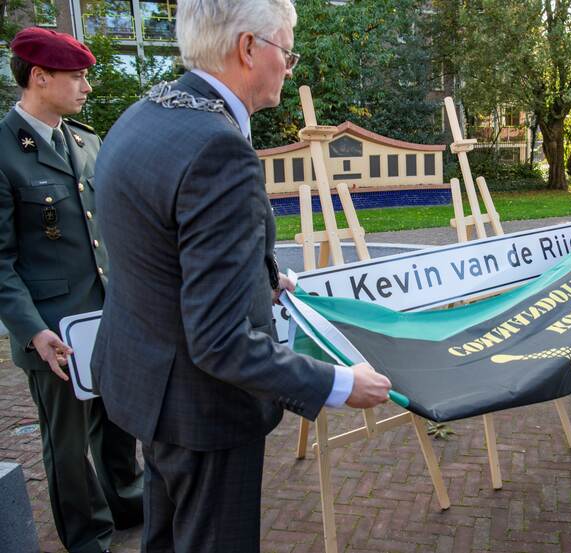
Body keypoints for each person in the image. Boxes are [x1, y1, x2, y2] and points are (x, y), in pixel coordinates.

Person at [91, 1, 392, 551]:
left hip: (145, 387)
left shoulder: (142, 116)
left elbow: (163, 246)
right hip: (205, 408)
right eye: (286, 50)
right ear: (249, 48)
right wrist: (339, 385)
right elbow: (220, 342)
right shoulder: (218, 148)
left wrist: (264, 275)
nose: (289, 66)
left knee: (165, 536)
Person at [0, 27, 143, 553]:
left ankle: (129, 500)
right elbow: (0, 262)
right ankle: (88, 537)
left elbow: (105, 228)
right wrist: (33, 331)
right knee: (66, 444)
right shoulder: (3, 151)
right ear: (40, 77)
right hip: (52, 329)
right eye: (76, 76)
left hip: (106, 314)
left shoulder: (84, 140)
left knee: (117, 419)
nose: (86, 86)